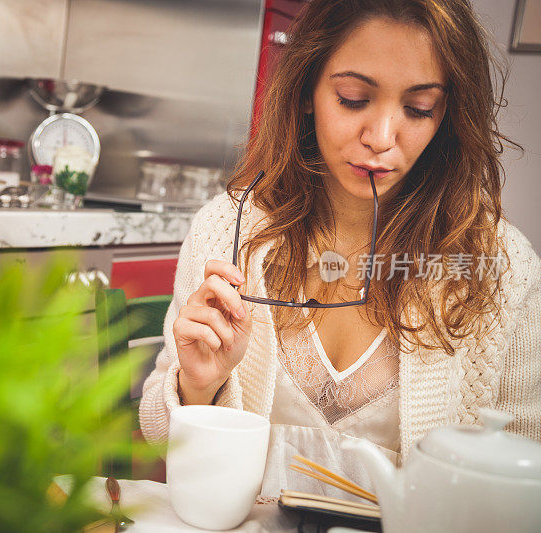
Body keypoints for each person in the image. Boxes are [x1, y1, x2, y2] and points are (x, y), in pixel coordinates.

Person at [139, 0, 541, 490]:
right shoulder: (226, 230)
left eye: (419, 109)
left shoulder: (502, 269)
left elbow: (524, 475)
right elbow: (159, 437)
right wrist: (197, 387)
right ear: (308, 89)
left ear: (447, 116)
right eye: (353, 98)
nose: (382, 137)